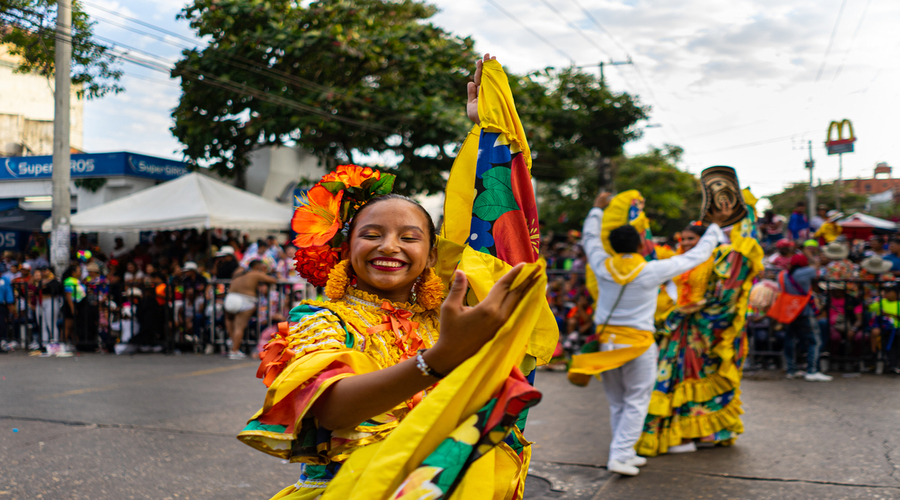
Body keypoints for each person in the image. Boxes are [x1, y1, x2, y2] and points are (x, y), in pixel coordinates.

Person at [238, 55, 554, 499]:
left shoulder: (448, 316)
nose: (390, 247)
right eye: (372, 234)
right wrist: (439, 359)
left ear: (431, 255)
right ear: (345, 248)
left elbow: (498, 246)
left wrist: (487, 135)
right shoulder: (321, 320)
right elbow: (333, 409)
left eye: (410, 237)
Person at [568, 189, 731, 476]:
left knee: (618, 402)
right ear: (642, 246)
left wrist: (596, 209)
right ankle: (619, 455)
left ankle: (624, 452)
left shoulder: (602, 264)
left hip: (608, 344)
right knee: (636, 401)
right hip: (639, 345)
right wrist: (715, 226)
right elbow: (698, 255)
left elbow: (590, 238)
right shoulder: (651, 270)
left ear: (614, 246)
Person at [638, 205, 762, 457]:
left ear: (704, 239)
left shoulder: (720, 256)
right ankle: (682, 433)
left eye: (691, 239)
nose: (685, 243)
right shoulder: (679, 259)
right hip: (678, 327)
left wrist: (701, 311)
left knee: (699, 378)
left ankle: (705, 432)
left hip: (704, 329)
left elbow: (728, 288)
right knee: (671, 379)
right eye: (682, 239)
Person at [782, 254, 832, 382]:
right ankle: (812, 371)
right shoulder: (807, 272)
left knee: (790, 340)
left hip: (790, 311)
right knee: (814, 341)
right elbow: (816, 266)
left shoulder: (783, 275)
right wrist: (811, 256)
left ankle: (791, 370)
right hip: (804, 311)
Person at [224, 259, 277, 359]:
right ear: (257, 267)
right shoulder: (255, 274)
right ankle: (234, 351)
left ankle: (232, 344)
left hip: (229, 299)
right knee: (239, 327)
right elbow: (273, 280)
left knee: (230, 322)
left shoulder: (239, 274)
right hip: (245, 300)